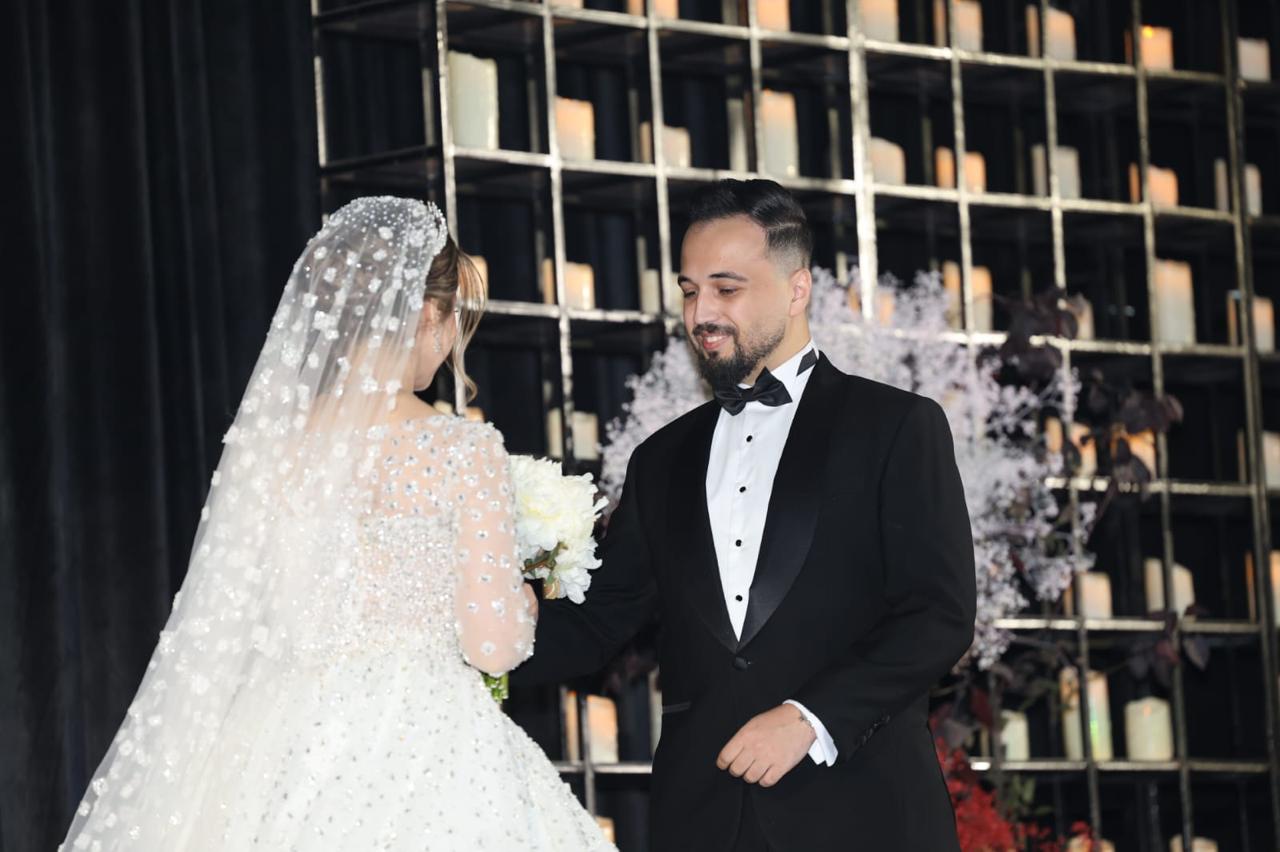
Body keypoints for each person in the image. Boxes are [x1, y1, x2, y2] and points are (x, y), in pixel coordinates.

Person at [61, 196, 614, 851]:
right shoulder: (461, 449)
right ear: (427, 314)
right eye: (452, 322)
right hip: (424, 738)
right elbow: (491, 646)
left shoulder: (272, 450)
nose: (448, 346)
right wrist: (523, 598)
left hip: (279, 739)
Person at [511, 179, 977, 851]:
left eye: (726, 289)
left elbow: (938, 614)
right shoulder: (660, 459)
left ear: (797, 289)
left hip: (864, 813)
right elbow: (599, 620)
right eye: (689, 291)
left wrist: (809, 718)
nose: (701, 313)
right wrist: (476, 631)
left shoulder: (897, 426)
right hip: (702, 817)